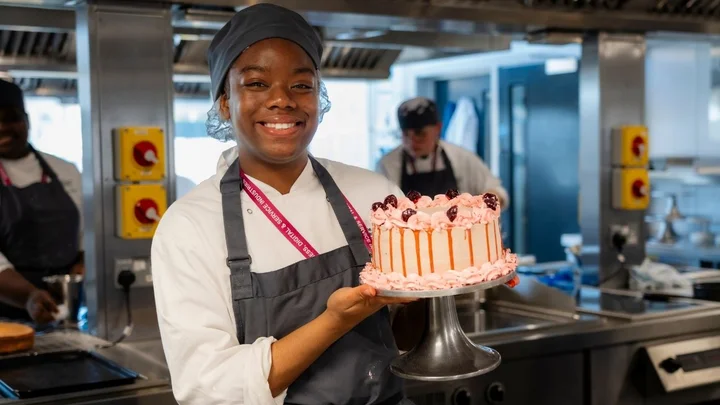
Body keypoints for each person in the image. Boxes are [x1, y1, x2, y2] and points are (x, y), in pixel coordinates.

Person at [150, 4, 416, 404]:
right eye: (256, 83)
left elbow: (406, 338)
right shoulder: (190, 226)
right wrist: (335, 321)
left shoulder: (373, 194)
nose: (282, 100)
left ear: (318, 96)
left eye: (301, 85)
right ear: (225, 101)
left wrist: (439, 290)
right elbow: (209, 388)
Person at [0, 79, 84, 325]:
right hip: (5, 318)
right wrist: (29, 297)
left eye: (11, 118)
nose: (3, 128)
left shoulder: (64, 170)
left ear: (26, 119)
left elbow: (87, 231)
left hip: (66, 311)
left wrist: (82, 267)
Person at [376, 96, 509, 208]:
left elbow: (498, 192)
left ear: (438, 128)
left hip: (457, 236)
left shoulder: (460, 157)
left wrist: (483, 204)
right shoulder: (388, 164)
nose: (412, 142)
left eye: (420, 134)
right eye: (406, 134)